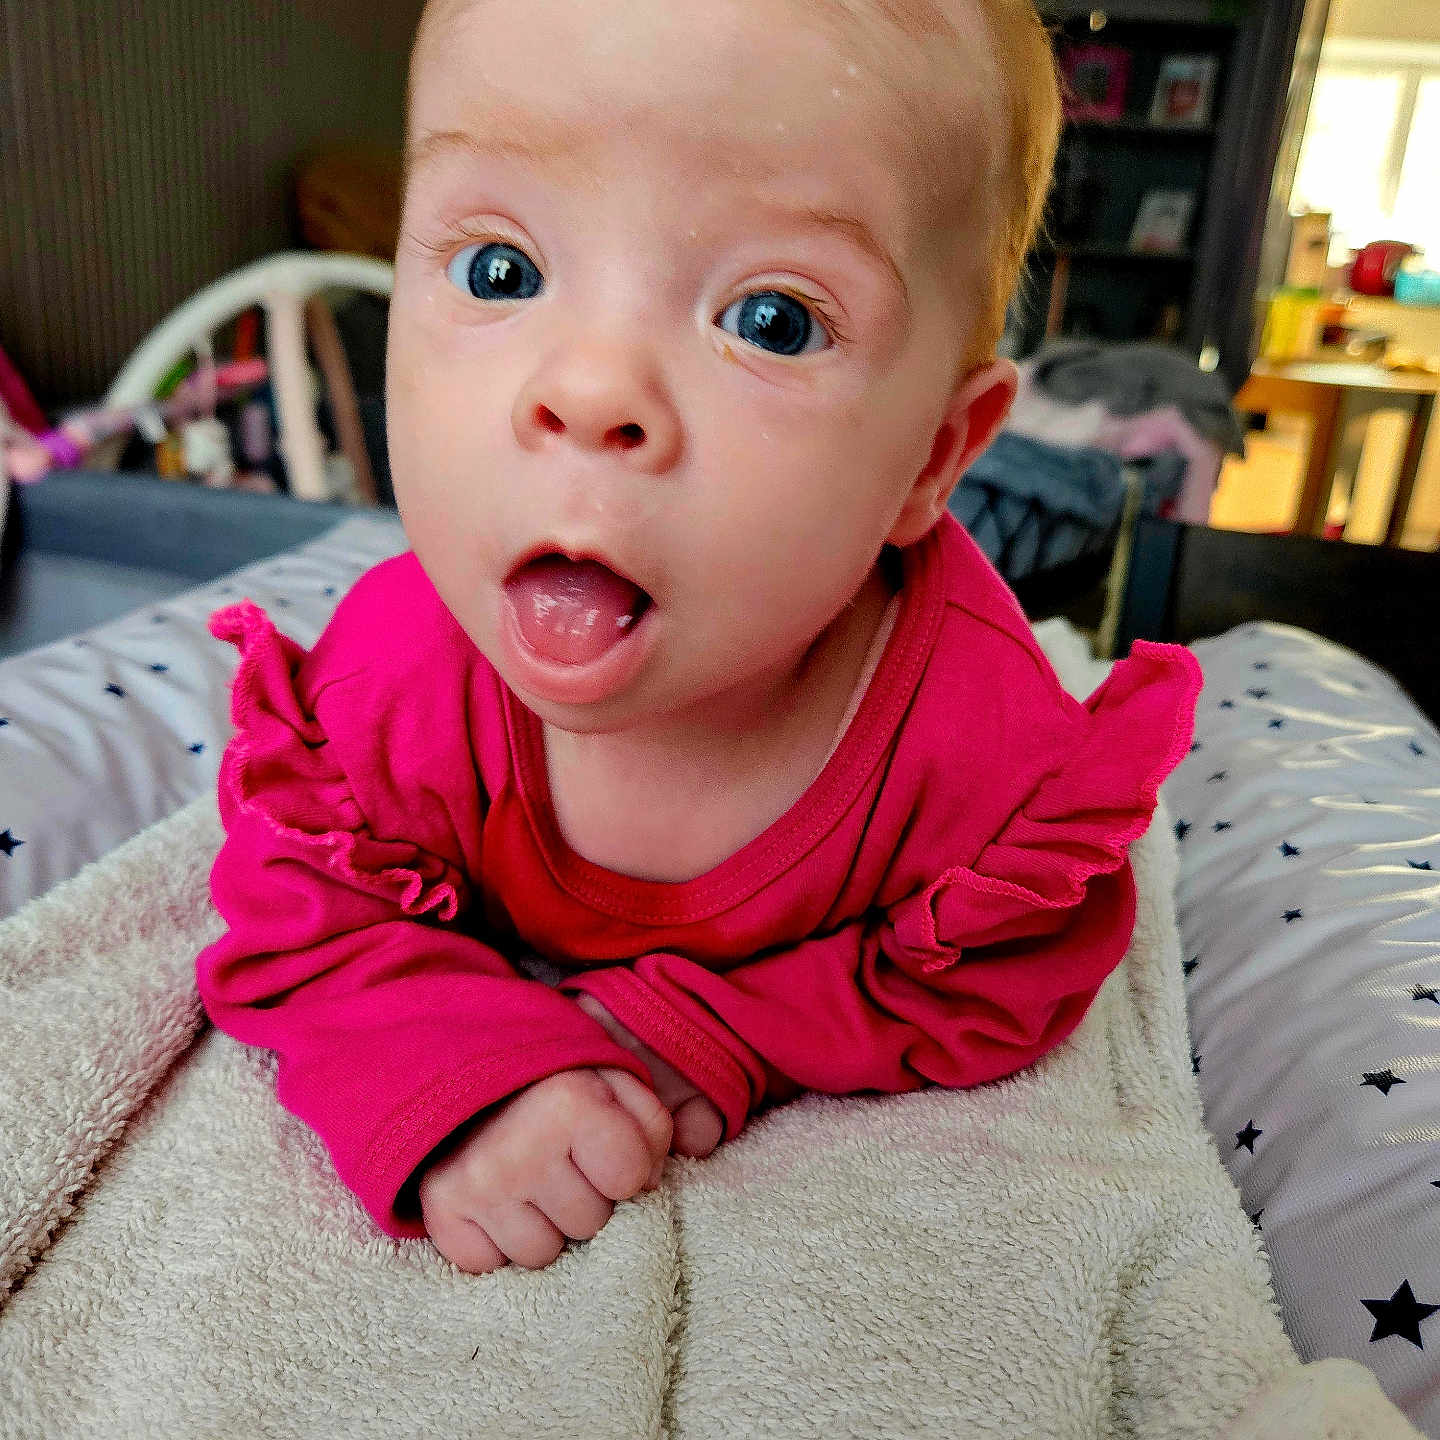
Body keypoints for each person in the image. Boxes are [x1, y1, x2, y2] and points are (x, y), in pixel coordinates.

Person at [197, 0, 1202, 1276]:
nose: (590, 389)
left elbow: (1000, 976)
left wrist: (731, 1027)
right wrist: (451, 1062)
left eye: (772, 318)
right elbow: (301, 910)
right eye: (500, 269)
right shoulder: (394, 678)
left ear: (932, 456)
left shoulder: (975, 748)